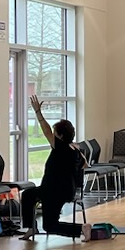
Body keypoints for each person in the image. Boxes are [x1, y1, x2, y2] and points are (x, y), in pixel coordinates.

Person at [17, 93, 85, 240]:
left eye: (55, 133)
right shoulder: (74, 149)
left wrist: (38, 112)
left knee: (50, 226)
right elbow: (85, 165)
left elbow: (46, 130)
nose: (52, 136)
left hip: (54, 192)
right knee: (28, 195)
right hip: (56, 190)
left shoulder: (61, 148)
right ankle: (32, 228)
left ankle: (82, 229)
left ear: (60, 136)